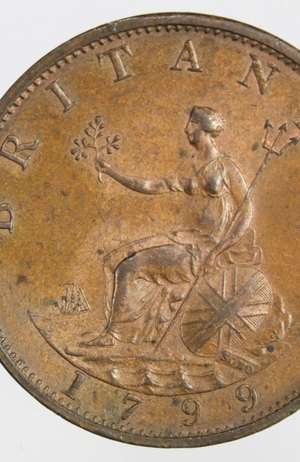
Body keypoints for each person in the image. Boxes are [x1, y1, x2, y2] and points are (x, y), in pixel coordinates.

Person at [86, 106, 253, 346]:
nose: (186, 129)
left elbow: (246, 211)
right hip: (183, 239)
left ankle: (114, 336)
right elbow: (152, 186)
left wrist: (219, 250)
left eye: (192, 123)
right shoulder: (189, 166)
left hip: (206, 248)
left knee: (129, 266)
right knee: (113, 259)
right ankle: (129, 331)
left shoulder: (226, 167)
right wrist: (112, 172)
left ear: (205, 129)